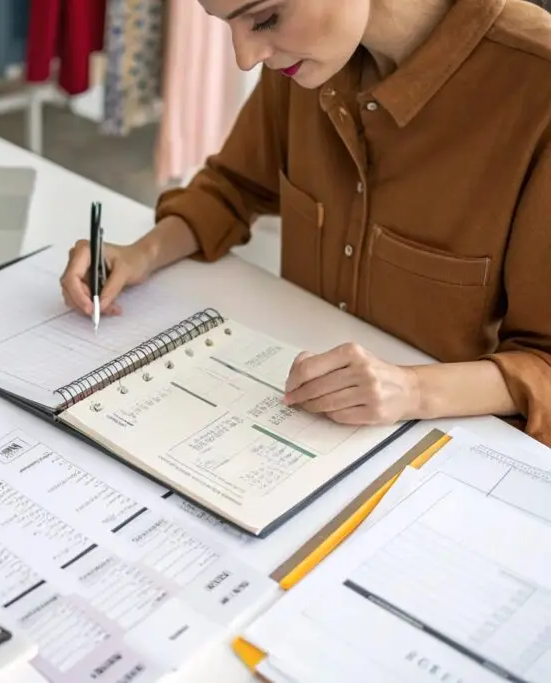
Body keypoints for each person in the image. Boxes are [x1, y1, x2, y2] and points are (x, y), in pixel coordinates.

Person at [59, 0, 551, 446]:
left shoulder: (537, 90)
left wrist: (413, 389)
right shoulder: (308, 57)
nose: (246, 58)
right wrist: (136, 255)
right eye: (228, 24)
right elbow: (234, 185)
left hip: (444, 463)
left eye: (265, 18)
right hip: (296, 420)